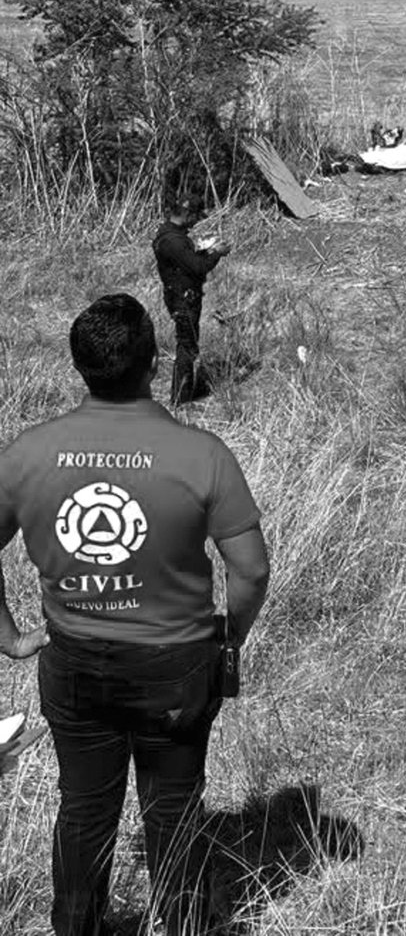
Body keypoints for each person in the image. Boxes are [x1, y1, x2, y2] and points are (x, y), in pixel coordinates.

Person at [0, 293, 270, 936]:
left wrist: (9, 638)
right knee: (174, 814)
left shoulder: (28, 454)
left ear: (80, 368)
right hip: (176, 667)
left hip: (72, 664)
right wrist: (228, 635)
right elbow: (251, 570)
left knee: (84, 812)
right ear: (155, 362)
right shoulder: (202, 454)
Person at [153, 195, 231, 407]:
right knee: (187, 348)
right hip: (183, 300)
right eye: (195, 217)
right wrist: (215, 253)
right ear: (187, 214)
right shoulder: (173, 241)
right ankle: (180, 400)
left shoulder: (172, 235)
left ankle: (182, 395)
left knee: (188, 345)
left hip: (182, 296)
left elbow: (187, 263)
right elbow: (197, 267)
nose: (196, 222)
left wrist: (206, 251)